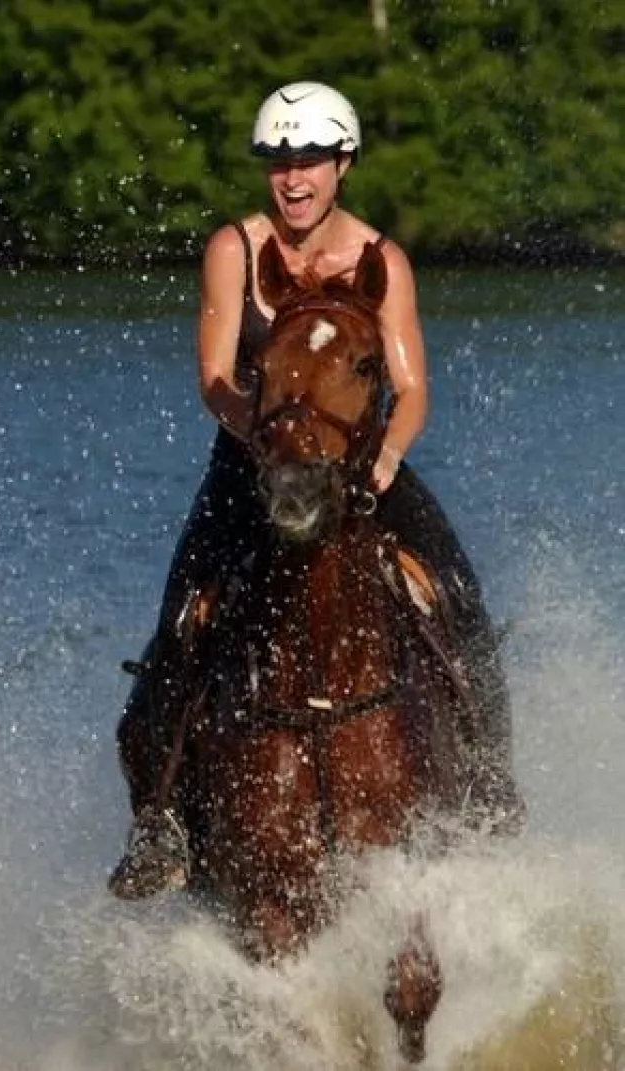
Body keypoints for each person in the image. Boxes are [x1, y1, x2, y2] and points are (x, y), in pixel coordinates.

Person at [108, 83, 524, 900]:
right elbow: (216, 379)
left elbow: (411, 390)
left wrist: (389, 455)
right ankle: (160, 818)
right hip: (250, 467)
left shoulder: (381, 260)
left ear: (343, 164)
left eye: (309, 162)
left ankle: (486, 779)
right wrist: (264, 441)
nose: (293, 179)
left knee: (455, 593)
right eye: (278, 163)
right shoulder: (234, 249)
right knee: (183, 619)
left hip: (362, 468)